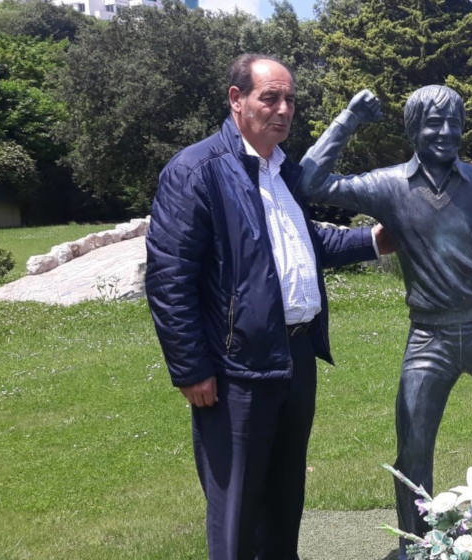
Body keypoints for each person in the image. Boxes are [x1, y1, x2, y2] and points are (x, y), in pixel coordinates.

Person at [145, 53, 386, 560]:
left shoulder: (283, 171)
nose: (283, 110)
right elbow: (169, 278)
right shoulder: (196, 171)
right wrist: (191, 368)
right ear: (237, 100)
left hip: (295, 360)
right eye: (269, 97)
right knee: (235, 512)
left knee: (284, 501)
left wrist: (376, 240)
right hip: (235, 371)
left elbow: (306, 242)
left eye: (290, 100)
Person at [298, 84, 472, 559]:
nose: (446, 132)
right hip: (429, 336)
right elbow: (310, 181)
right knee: (412, 451)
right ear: (413, 130)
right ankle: (417, 544)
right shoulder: (389, 185)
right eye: (433, 123)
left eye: (454, 122)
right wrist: (349, 118)